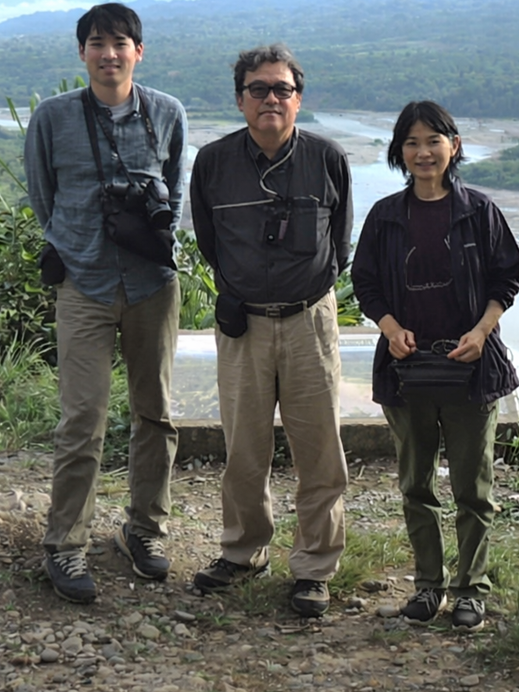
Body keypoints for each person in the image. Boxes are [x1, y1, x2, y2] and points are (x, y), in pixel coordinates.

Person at [24, 2, 187, 603]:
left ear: (138, 52)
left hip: (151, 284)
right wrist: (79, 245)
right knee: (82, 418)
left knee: (156, 413)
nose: (108, 53)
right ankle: (65, 545)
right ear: (82, 52)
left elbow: (177, 188)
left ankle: (145, 531)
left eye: (120, 43)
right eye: (97, 43)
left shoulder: (167, 113)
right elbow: (44, 197)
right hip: (84, 284)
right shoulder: (53, 117)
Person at [189, 43, 352, 618]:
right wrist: (240, 289)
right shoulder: (212, 162)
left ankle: (313, 567)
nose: (270, 99)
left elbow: (341, 244)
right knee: (244, 448)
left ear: (298, 100)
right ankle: (243, 551)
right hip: (244, 325)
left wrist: (309, 292)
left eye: (282, 89)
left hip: (311, 320)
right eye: (258, 89)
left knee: (319, 450)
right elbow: (209, 241)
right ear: (240, 100)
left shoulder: (327, 159)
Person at [351, 101, 519, 632]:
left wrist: (481, 331)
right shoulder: (385, 216)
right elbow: (367, 284)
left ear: (454, 146)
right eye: (412, 143)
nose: (423, 152)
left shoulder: (479, 211)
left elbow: (506, 279)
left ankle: (470, 588)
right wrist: (389, 327)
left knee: (474, 488)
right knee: (415, 483)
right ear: (399, 153)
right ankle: (428, 586)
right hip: (407, 370)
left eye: (433, 140)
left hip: (470, 368)